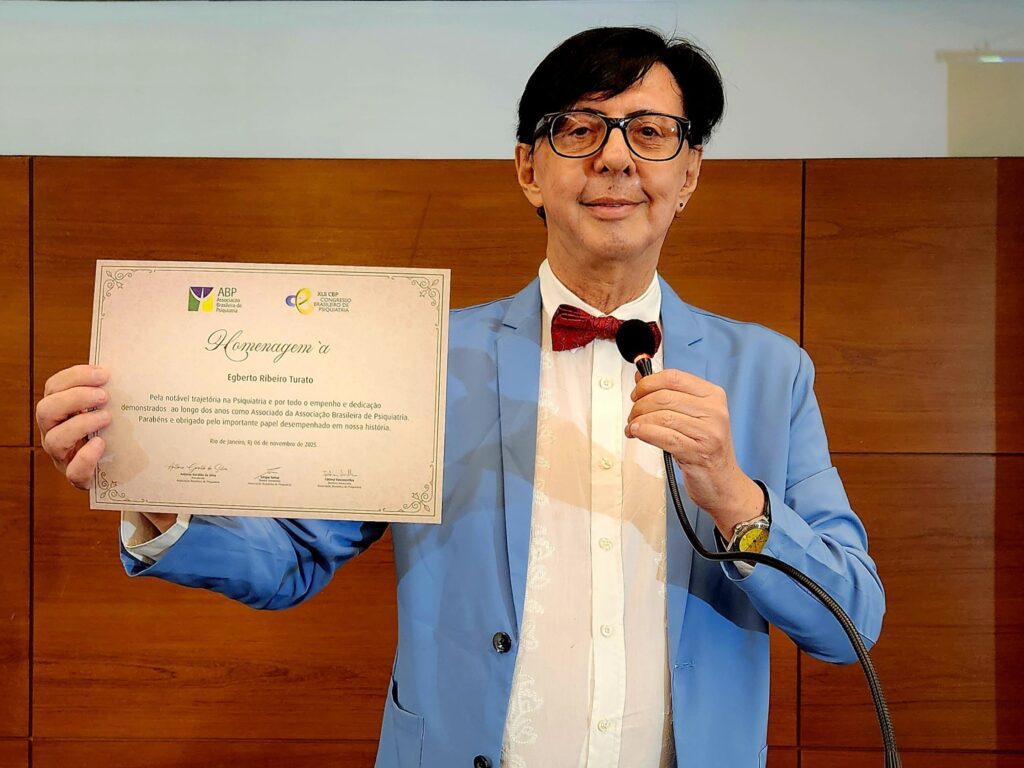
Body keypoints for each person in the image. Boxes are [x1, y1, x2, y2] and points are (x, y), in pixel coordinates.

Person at [35, 26, 884, 768]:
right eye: (579, 128)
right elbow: (293, 556)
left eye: (651, 133)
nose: (616, 158)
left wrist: (734, 497)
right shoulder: (428, 358)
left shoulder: (771, 373)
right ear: (528, 168)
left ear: (689, 171)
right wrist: (152, 487)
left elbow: (852, 617)